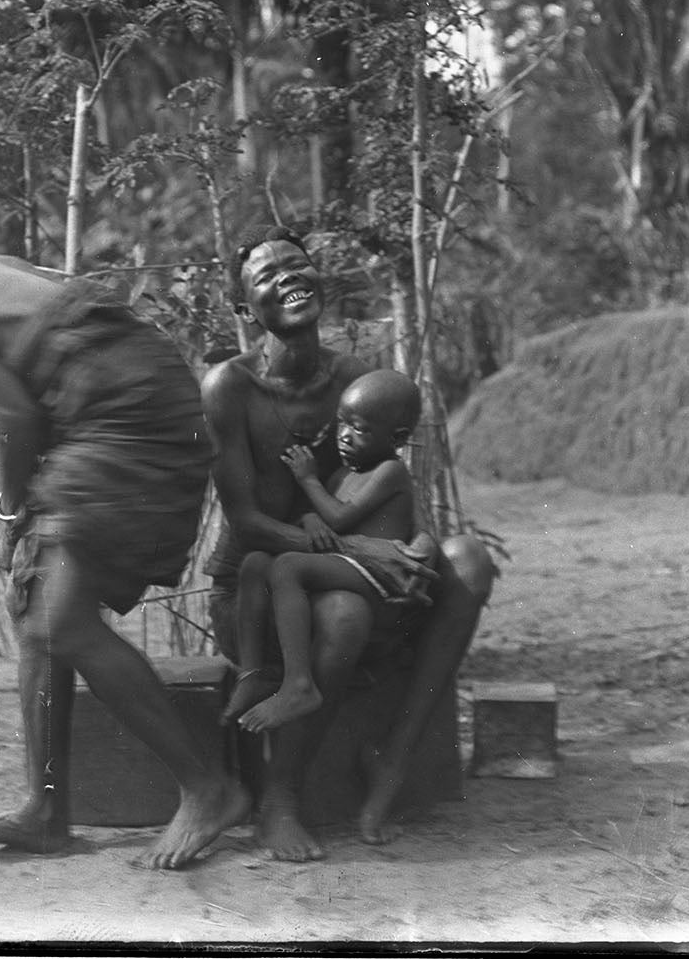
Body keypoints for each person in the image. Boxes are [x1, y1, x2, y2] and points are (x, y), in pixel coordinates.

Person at [0, 254, 250, 870]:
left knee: (58, 618)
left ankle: (209, 787)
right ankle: (46, 813)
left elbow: (12, 414)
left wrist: (8, 511)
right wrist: (22, 504)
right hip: (121, 395)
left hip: (126, 406)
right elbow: (40, 378)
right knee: (37, 604)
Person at [203, 226, 498, 855]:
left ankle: (394, 758)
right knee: (342, 613)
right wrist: (361, 553)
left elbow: (385, 500)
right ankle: (280, 800)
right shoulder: (228, 388)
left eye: (298, 264)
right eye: (266, 274)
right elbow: (249, 522)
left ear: (320, 281)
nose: (287, 276)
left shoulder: (358, 382)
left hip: (341, 571)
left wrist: (417, 548)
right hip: (258, 592)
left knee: (467, 560)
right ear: (242, 307)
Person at [222, 369, 439, 734]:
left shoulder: (389, 471)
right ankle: (251, 674)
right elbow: (324, 516)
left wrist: (307, 479)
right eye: (342, 423)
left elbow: (338, 518)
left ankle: (299, 684)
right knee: (256, 564)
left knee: (288, 566)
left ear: (397, 438)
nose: (345, 435)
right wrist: (309, 517)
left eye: (361, 429)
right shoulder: (345, 473)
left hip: (386, 585)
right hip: (357, 569)